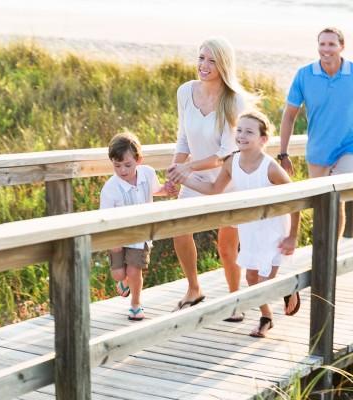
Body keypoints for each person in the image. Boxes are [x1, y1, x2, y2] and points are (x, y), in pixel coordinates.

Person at [171, 109, 301, 337]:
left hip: (273, 229)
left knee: (264, 280)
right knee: (251, 278)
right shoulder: (232, 163)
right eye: (239, 130)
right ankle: (267, 317)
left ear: (263, 140)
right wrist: (186, 179)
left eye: (249, 132)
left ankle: (289, 287)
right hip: (250, 228)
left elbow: (296, 200)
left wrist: (292, 236)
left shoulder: (270, 168)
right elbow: (214, 189)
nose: (241, 135)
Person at [166, 36, 253, 319]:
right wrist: (174, 172)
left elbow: (225, 153)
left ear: (224, 65)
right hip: (193, 180)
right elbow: (182, 139)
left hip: (228, 182)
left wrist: (188, 169)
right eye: (201, 57)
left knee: (227, 247)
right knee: (179, 229)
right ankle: (194, 288)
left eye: (212, 60)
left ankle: (234, 300)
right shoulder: (185, 92)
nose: (204, 65)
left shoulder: (234, 100)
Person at [279, 27, 353, 238]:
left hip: (349, 148)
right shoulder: (304, 75)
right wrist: (283, 153)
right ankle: (323, 249)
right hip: (318, 151)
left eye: (331, 44)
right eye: (322, 44)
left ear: (342, 46)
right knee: (322, 204)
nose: (326, 49)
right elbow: (289, 116)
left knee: (334, 193)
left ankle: (331, 251)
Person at [100, 132, 177, 321]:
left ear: (138, 160)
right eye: (117, 166)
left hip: (140, 233)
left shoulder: (147, 173)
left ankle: (135, 304)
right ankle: (124, 282)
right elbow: (104, 217)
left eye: (128, 165)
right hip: (118, 235)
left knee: (134, 271)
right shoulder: (110, 189)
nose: (122, 171)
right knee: (119, 274)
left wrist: (165, 191)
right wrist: (112, 242)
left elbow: (153, 190)